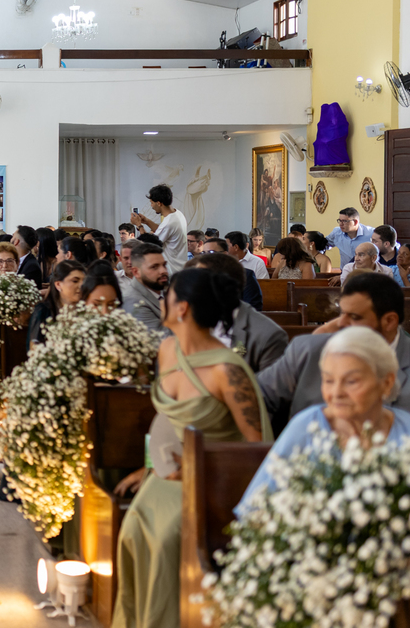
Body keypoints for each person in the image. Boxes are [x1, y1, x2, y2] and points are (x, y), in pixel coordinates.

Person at [112, 267, 270, 628]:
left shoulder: (228, 370)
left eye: (166, 295)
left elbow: (256, 446)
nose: (160, 299)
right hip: (164, 478)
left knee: (167, 540)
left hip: (209, 487)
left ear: (181, 307)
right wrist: (149, 467)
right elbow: (167, 421)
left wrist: (199, 468)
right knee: (132, 529)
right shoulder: (167, 350)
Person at [239, 327, 410, 518]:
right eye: (328, 380)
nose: (336, 393)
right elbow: (254, 509)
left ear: (386, 382)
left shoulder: (406, 432)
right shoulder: (305, 426)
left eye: (351, 381)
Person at [259, 272, 410, 431]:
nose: (341, 323)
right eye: (342, 313)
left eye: (354, 317)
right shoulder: (308, 350)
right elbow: (256, 394)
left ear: (389, 321)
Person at [187, 252, 288, 373]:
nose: (192, 289)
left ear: (221, 287)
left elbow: (268, 384)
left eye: (199, 282)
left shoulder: (267, 336)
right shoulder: (187, 321)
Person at [129, 184, 188, 275]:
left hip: (172, 271)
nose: (151, 206)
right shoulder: (177, 214)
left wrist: (139, 225)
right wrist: (147, 221)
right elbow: (161, 230)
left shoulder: (169, 223)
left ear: (159, 203)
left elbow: (148, 245)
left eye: (152, 203)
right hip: (180, 268)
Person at [27, 260, 86, 345]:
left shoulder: (87, 310)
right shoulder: (43, 311)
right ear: (58, 284)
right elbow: (34, 346)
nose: (81, 286)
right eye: (75, 281)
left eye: (84, 281)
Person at [120, 244, 168, 333]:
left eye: (164, 265)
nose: (163, 271)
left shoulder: (166, 290)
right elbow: (159, 338)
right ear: (136, 272)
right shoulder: (133, 301)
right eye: (154, 267)